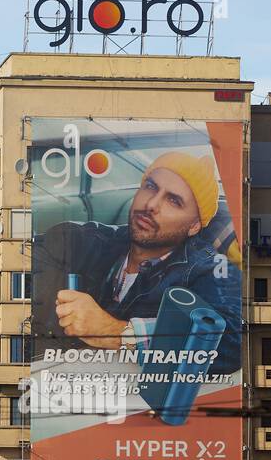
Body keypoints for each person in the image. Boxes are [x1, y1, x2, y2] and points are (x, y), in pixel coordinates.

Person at [33, 151, 242, 374]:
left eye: (174, 200)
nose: (151, 204)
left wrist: (117, 333)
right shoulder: (92, 241)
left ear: (194, 226)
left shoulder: (208, 269)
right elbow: (26, 258)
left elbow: (231, 343)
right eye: (151, 186)